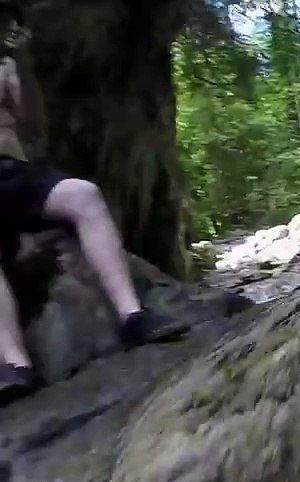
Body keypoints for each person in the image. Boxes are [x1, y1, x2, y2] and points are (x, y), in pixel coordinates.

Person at [0, 7, 189, 403]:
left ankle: (132, 316)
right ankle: (14, 364)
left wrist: (22, 63)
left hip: (13, 172)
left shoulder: (7, 67)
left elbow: (34, 126)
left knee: (84, 195)